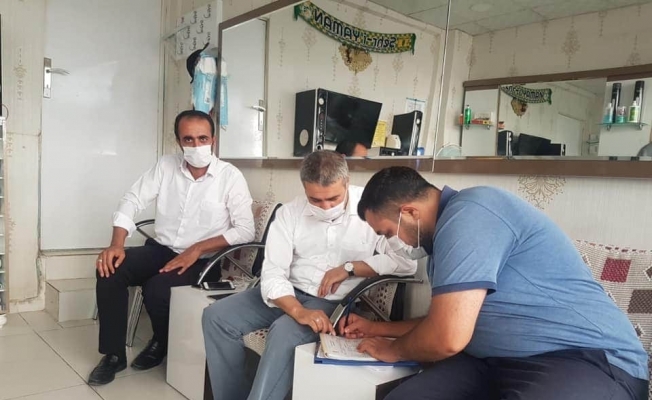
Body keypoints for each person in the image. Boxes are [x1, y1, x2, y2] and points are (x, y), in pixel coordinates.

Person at [342, 166, 648, 400]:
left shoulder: (472, 212)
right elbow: (446, 321)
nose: (393, 242)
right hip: (492, 361)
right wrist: (376, 329)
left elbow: (447, 337)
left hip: (582, 359)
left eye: (387, 233)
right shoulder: (440, 244)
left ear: (409, 212)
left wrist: (394, 350)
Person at [202, 151, 417, 400]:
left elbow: (406, 263)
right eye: (315, 200)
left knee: (283, 333)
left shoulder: (370, 209)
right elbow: (273, 272)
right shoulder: (290, 213)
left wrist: (351, 267)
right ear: (304, 188)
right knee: (216, 317)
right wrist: (297, 310)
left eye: (333, 198)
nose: (325, 207)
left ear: (346, 182)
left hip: (331, 303)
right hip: (286, 294)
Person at [89, 110, 255, 386]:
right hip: (162, 249)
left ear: (213, 140)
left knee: (157, 289)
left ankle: (161, 342)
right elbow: (132, 199)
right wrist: (116, 244)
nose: (196, 145)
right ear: (178, 141)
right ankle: (114, 355)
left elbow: (245, 230)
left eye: (202, 138)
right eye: (188, 139)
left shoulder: (230, 177)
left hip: (203, 261)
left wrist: (197, 249)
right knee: (110, 268)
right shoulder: (166, 166)